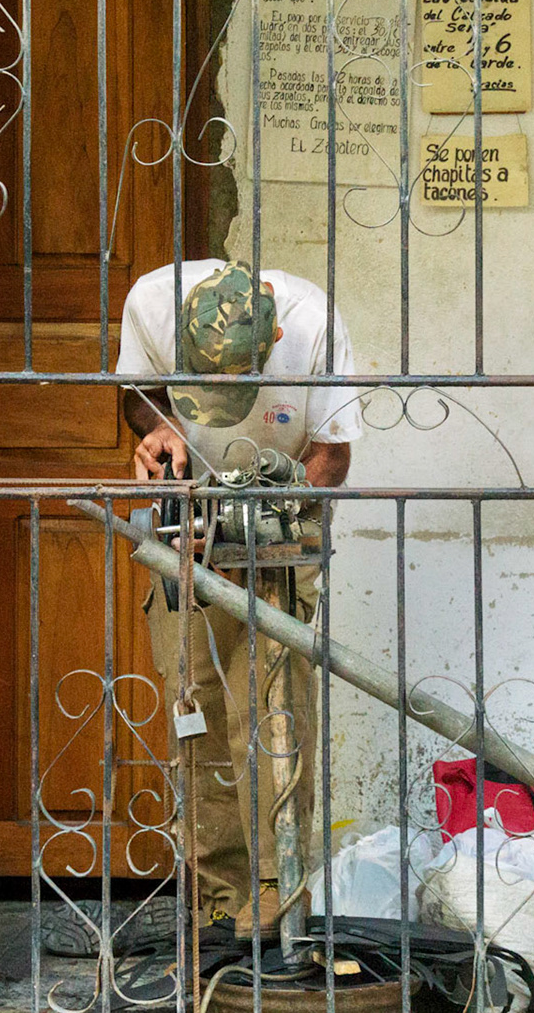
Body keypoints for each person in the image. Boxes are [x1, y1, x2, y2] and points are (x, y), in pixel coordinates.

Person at [117, 258, 362, 940]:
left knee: (271, 711)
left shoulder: (313, 325)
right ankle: (220, 903)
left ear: (274, 335)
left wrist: (249, 525)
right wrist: (160, 432)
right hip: (184, 522)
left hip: (281, 519)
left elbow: (332, 457)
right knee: (196, 703)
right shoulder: (153, 303)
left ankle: (279, 895)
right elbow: (137, 395)